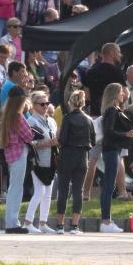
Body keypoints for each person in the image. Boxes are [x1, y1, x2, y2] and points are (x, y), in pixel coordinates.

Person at [54, 88, 94, 234]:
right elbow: (93, 140)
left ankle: (60, 225)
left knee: (63, 190)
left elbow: (62, 140)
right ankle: (74, 225)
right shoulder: (88, 120)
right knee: (78, 191)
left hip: (67, 156)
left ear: (70, 102)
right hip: (82, 156)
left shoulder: (67, 118)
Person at [98, 82, 133, 233]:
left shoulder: (115, 109)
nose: (123, 94)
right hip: (111, 149)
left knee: (109, 185)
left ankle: (107, 220)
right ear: (114, 94)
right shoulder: (112, 110)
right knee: (109, 185)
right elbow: (109, 131)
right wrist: (126, 134)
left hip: (115, 150)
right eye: (120, 92)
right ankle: (106, 221)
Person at [0, 86, 35, 233]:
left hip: (11, 154)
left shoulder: (7, 114)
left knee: (14, 188)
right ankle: (12, 223)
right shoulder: (18, 116)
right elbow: (28, 136)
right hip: (19, 154)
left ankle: (11, 222)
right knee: (16, 190)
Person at [24, 90, 58, 233]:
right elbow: (30, 143)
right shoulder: (31, 121)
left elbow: (55, 138)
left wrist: (55, 142)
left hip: (51, 160)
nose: (45, 106)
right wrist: (49, 142)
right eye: (42, 104)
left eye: (47, 103)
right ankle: (27, 222)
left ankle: (43, 223)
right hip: (37, 160)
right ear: (34, 105)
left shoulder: (51, 121)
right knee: (39, 191)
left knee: (48, 192)